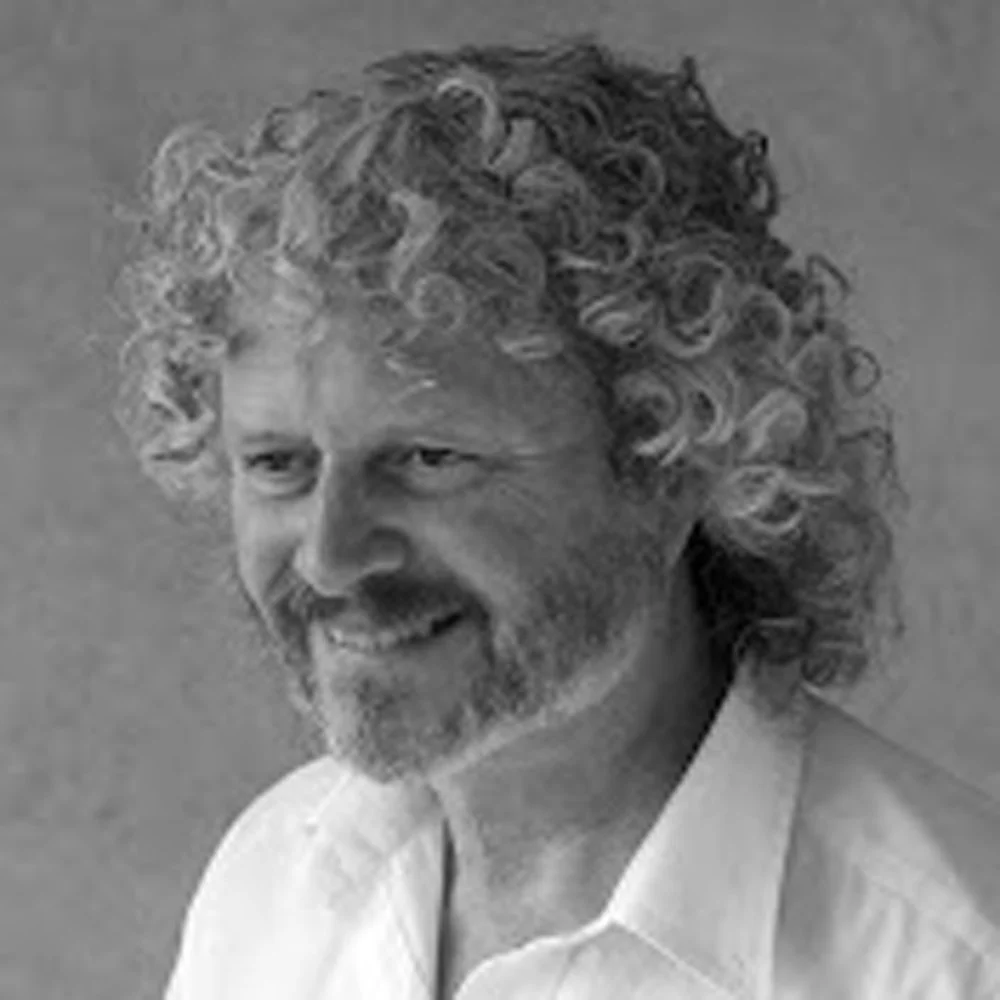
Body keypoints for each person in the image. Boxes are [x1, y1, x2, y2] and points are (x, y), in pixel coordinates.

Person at [111, 37, 1000, 999]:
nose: (329, 558)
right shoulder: (274, 880)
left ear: (676, 460)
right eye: (278, 466)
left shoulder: (944, 962)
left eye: (428, 460)